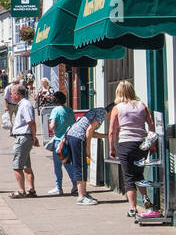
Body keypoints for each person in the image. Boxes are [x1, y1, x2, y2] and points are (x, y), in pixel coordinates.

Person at [108, 81, 156, 220]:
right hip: (141, 144)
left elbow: (112, 131)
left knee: (129, 176)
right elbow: (151, 126)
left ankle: (133, 208)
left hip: (125, 144)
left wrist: (112, 148)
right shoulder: (142, 106)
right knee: (139, 173)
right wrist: (151, 144)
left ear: (119, 92)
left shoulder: (117, 108)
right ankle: (145, 198)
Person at [65, 102, 111, 206]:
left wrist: (106, 136)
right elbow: (89, 131)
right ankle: (81, 196)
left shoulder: (98, 110)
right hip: (78, 138)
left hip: (72, 135)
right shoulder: (102, 113)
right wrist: (88, 149)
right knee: (81, 166)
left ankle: (83, 194)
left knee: (80, 165)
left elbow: (90, 131)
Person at [9, 85, 39, 198]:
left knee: (17, 166)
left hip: (23, 137)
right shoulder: (22, 104)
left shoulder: (25, 105)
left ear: (18, 94)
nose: (11, 95)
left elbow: (30, 122)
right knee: (26, 165)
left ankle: (21, 191)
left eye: (12, 93)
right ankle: (31, 189)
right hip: (24, 136)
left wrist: (34, 136)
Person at [46, 91, 73, 195]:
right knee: (68, 163)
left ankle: (59, 187)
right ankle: (75, 184)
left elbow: (52, 126)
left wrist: (52, 127)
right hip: (68, 139)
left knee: (58, 165)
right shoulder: (69, 110)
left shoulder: (55, 110)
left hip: (59, 141)